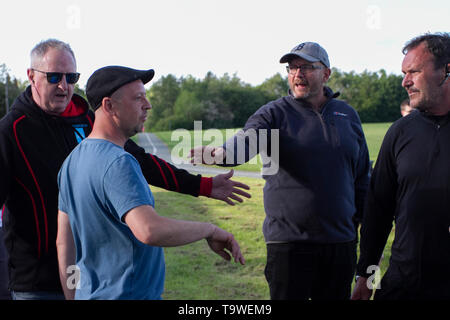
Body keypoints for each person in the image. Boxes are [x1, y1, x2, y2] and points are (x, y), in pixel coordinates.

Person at [0, 39, 250, 300]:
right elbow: (148, 230)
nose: (64, 86)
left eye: (71, 77)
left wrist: (203, 186)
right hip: (37, 282)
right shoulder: (11, 132)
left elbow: (142, 162)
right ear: (31, 76)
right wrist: (208, 229)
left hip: (83, 279)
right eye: (54, 77)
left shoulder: (86, 129)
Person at [191, 42, 371, 300]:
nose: (298, 73)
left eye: (307, 67)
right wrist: (225, 154)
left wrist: (363, 235)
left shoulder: (347, 115)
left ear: (326, 73)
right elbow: (248, 138)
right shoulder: (275, 114)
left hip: (340, 244)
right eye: (293, 67)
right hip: (289, 246)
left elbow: (362, 179)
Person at [56, 66, 245, 300]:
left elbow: (64, 243)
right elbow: (148, 230)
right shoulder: (119, 162)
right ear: (109, 106)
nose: (148, 105)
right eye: (138, 98)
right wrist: (209, 229)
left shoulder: (71, 162)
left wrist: (73, 296)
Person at [352, 32, 450, 300]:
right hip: (403, 285)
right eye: (404, 73)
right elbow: (378, 210)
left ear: (446, 71)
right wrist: (367, 275)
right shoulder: (400, 132)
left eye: (414, 72)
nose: (405, 82)